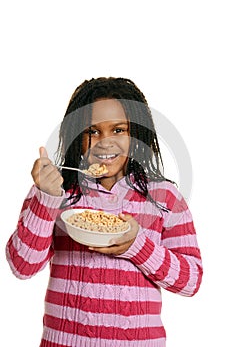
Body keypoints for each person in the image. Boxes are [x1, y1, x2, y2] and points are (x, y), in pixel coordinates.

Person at [6, 77, 203, 347]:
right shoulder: (57, 191)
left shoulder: (165, 197)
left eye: (118, 130)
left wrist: (137, 246)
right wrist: (46, 197)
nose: (105, 143)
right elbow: (22, 266)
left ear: (135, 135)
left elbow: (191, 281)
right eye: (93, 131)